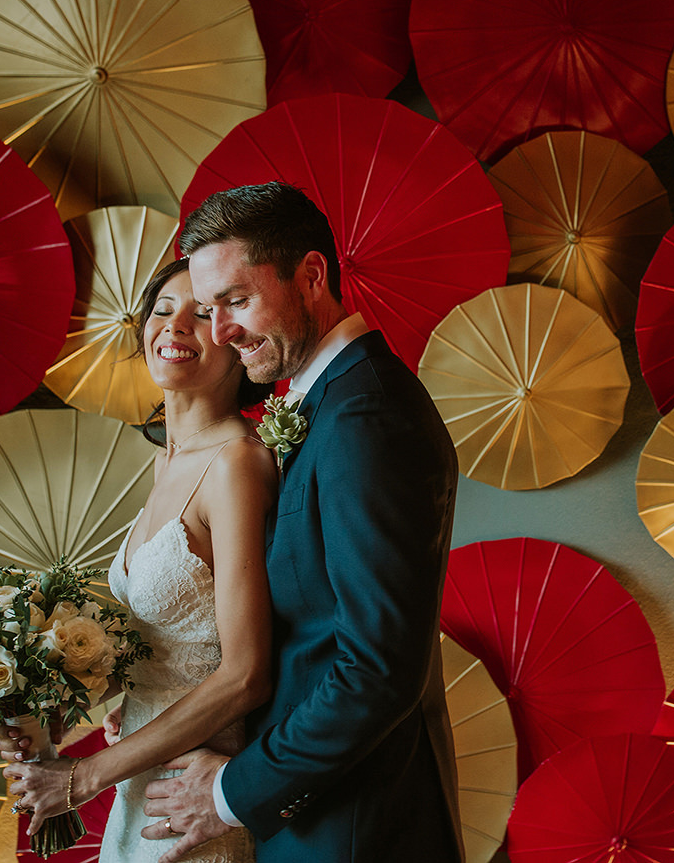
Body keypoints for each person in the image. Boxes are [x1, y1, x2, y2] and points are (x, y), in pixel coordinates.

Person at [141, 181, 463, 863]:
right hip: (319, 815)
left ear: (311, 275)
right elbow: (306, 625)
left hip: (354, 829)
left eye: (235, 301)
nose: (222, 331)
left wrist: (230, 791)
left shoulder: (365, 416)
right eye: (208, 308)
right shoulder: (325, 403)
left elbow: (377, 668)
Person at [1, 257, 280, 863]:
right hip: (138, 778)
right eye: (162, 310)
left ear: (236, 339)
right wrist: (57, 722)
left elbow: (245, 675)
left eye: (201, 314)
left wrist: (81, 778)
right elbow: (168, 648)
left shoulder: (235, 465)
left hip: (191, 801)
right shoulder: (165, 463)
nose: (174, 326)